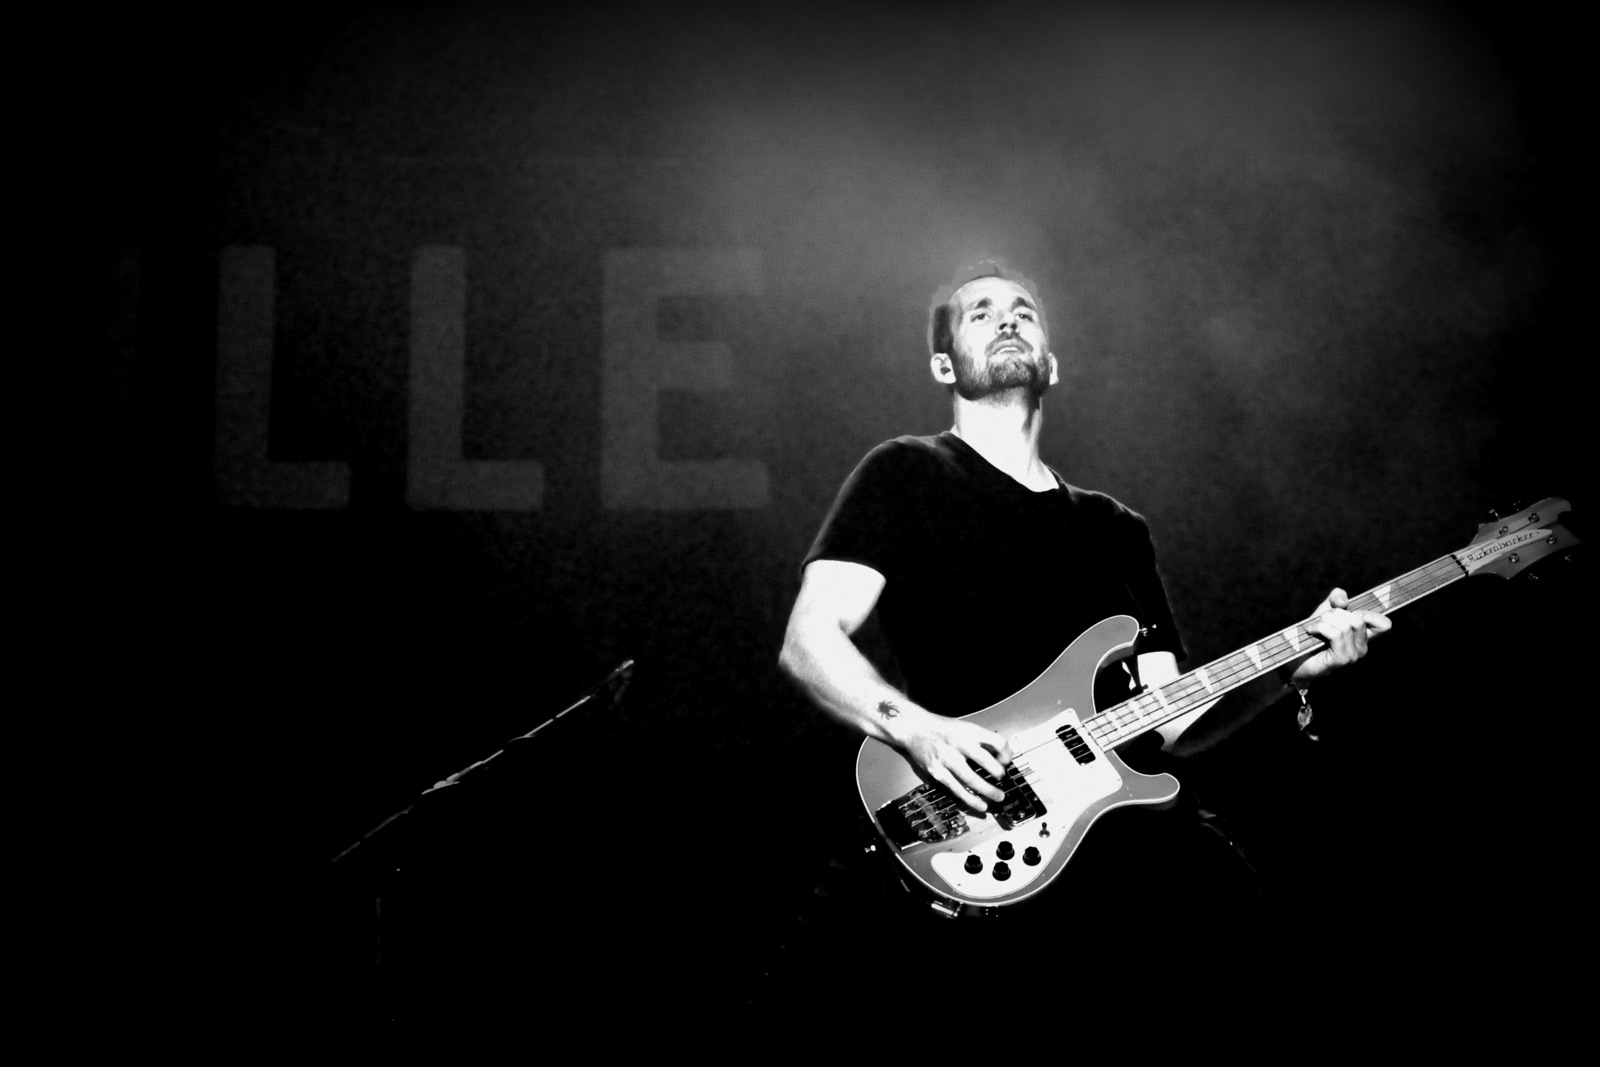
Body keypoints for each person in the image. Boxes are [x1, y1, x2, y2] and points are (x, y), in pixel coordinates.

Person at [777, 259, 1389, 974]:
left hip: (1134, 863)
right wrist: (916, 729)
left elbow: (1175, 721)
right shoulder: (903, 473)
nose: (1007, 320)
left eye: (1024, 312)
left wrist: (1292, 670)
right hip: (987, 839)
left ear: (1052, 365)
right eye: (981, 313)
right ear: (944, 365)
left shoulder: (1115, 529)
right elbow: (808, 640)